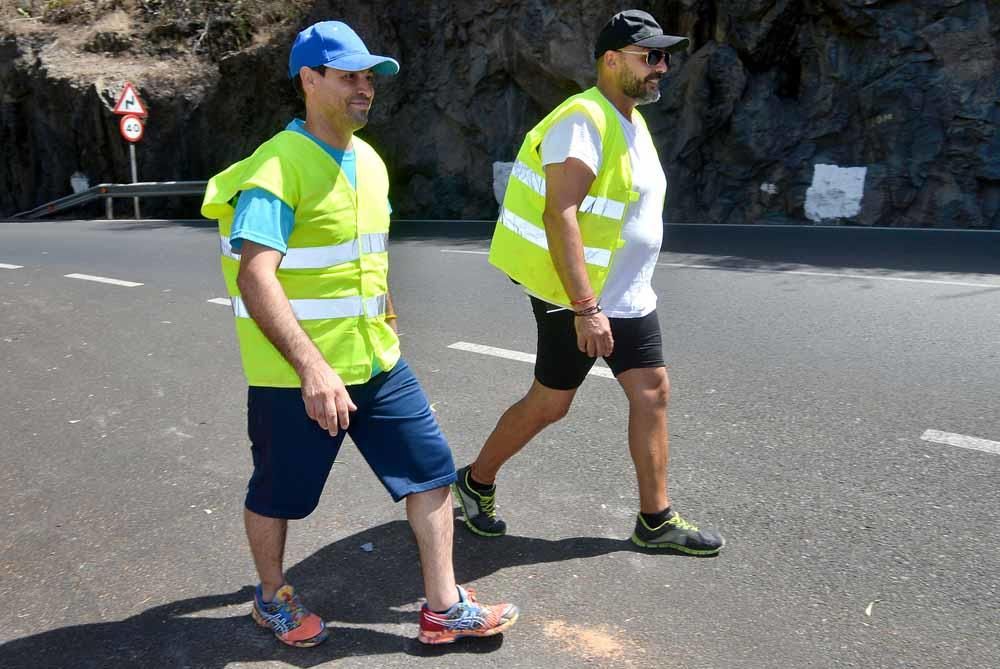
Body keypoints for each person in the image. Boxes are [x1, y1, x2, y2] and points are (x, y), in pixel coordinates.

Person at [201, 20, 518, 647]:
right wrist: (312, 369)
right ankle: (271, 598)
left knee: (430, 472)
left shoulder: (369, 161)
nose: (364, 89)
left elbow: (363, 258)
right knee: (278, 493)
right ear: (309, 79)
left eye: (369, 79)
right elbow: (255, 276)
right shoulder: (276, 167)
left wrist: (388, 315)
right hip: (294, 374)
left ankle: (443, 606)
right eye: (349, 77)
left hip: (377, 360)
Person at [453, 10, 724, 556]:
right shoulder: (583, 119)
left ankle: (655, 520)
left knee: (652, 391)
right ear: (611, 60)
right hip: (577, 297)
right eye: (650, 57)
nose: (662, 68)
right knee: (551, 404)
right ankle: (475, 481)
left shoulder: (630, 120)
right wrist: (586, 307)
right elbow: (561, 213)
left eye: (664, 57)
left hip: (627, 294)